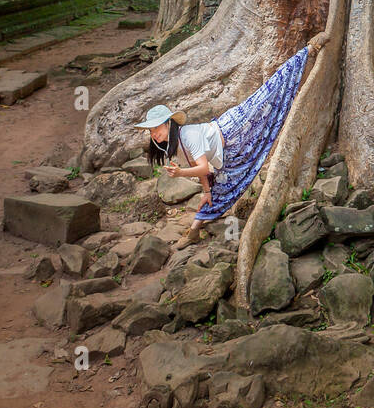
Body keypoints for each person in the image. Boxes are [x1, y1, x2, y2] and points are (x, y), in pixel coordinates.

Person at [133, 32, 328, 248]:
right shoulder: (177, 146)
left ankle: (307, 52)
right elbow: (204, 171)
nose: (153, 134)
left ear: (169, 124)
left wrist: (180, 174)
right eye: (151, 132)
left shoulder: (187, 136)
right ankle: (194, 232)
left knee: (266, 96)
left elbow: (201, 167)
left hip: (233, 128)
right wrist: (206, 192)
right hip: (229, 153)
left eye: (156, 128)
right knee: (220, 191)